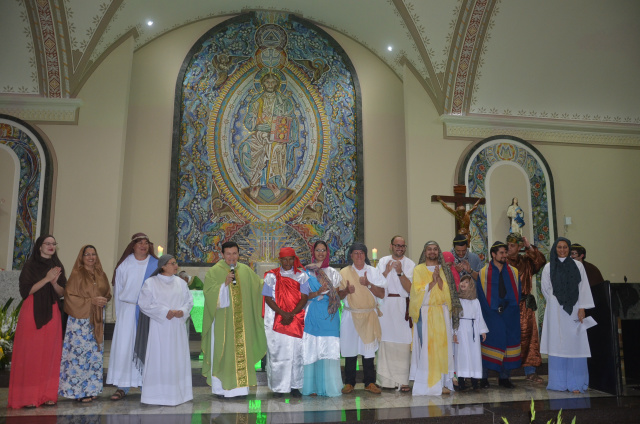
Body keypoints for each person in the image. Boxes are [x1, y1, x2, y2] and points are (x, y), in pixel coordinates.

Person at [202, 241, 267, 399]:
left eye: (235, 253)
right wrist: (224, 284)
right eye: (228, 254)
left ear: (239, 254)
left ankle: (240, 389)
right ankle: (220, 389)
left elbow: (259, 287)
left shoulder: (245, 271)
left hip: (242, 325)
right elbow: (209, 295)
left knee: (241, 351)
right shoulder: (214, 272)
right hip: (222, 324)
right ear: (222, 254)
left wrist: (274, 282)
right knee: (221, 352)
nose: (232, 257)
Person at [8, 235, 66, 408]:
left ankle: (48, 395)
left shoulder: (58, 266)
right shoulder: (30, 265)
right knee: (31, 354)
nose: (51, 246)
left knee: (50, 353)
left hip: (52, 310)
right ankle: (28, 396)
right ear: (39, 246)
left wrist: (54, 282)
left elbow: (62, 292)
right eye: (47, 243)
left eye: (53, 243)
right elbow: (26, 291)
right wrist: (47, 279)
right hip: (32, 311)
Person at [106, 233, 158, 401]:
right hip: (128, 312)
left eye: (146, 243)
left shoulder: (156, 264)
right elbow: (118, 290)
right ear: (133, 246)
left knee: (147, 348)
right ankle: (123, 386)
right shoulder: (124, 265)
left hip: (148, 312)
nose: (143, 246)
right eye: (139, 243)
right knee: (125, 348)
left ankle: (146, 384)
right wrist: (122, 315)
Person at [136, 255, 193, 405]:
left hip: (177, 328)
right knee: (159, 358)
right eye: (172, 263)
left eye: (176, 263)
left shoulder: (181, 283)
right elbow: (144, 303)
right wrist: (163, 311)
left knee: (177, 358)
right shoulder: (151, 283)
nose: (176, 266)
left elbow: (189, 301)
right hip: (160, 328)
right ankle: (156, 395)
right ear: (163, 266)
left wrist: (182, 311)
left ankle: (180, 394)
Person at [540, 237, 594, 394]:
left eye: (565, 247)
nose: (562, 250)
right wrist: (557, 299)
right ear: (555, 249)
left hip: (575, 309)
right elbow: (546, 289)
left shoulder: (578, 266)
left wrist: (582, 307)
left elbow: (583, 287)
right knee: (558, 344)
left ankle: (576, 383)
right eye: (559, 247)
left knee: (575, 345)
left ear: (569, 249)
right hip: (556, 311)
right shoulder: (549, 267)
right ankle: (558, 383)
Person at [59, 245, 112, 403]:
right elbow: (69, 297)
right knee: (79, 355)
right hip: (80, 321)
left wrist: (104, 300)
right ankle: (77, 391)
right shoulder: (77, 274)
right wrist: (92, 301)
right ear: (81, 257)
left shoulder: (101, 274)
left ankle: (91, 388)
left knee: (94, 354)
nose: (91, 257)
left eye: (93, 254)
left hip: (96, 319)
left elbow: (107, 293)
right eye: (87, 254)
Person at [408, 241, 462, 396]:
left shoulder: (445, 269)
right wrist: (432, 281)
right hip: (425, 314)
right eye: (429, 249)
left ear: (438, 252)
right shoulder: (418, 269)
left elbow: (449, 294)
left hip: (442, 313)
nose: (432, 252)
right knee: (428, 348)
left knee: (443, 348)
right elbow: (416, 293)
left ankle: (443, 383)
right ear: (425, 252)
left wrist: (439, 280)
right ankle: (428, 384)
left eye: (435, 249)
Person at [339, 243, 386, 395]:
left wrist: (368, 284)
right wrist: (346, 291)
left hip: (368, 316)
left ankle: (370, 382)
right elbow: (338, 295)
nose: (359, 256)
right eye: (355, 253)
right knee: (350, 351)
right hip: (350, 315)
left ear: (365, 255)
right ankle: (349, 382)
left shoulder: (373, 272)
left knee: (368, 352)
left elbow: (382, 294)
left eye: (361, 253)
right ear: (351, 255)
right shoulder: (344, 272)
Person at [243, 72, 299, 199]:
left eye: (273, 82)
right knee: (246, 148)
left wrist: (278, 125)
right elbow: (249, 121)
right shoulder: (257, 100)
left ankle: (272, 182)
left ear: (277, 84)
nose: (270, 85)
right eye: (267, 82)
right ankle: (256, 182)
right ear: (262, 84)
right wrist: (253, 118)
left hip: (276, 135)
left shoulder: (284, 101)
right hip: (259, 134)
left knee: (276, 148)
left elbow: (291, 119)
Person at [263, 247, 309, 397]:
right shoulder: (271, 276)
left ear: (294, 259)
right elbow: (268, 298)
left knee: (296, 353)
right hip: (279, 320)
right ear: (280, 260)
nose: (288, 262)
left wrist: (293, 314)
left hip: (296, 320)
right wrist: (283, 313)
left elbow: (304, 297)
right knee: (279, 353)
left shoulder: (301, 276)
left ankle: (295, 386)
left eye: (291, 259)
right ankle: (279, 387)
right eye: (285, 259)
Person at [476, 241, 522, 389]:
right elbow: (481, 296)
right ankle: (484, 379)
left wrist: (509, 309)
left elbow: (517, 294)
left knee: (508, 344)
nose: (504, 255)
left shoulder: (514, 272)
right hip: (490, 315)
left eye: (505, 252)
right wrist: (490, 313)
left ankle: (504, 378)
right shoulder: (483, 273)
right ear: (493, 255)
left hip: (509, 314)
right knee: (487, 343)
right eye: (501, 253)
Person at [301, 240, 343, 397]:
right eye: (317, 250)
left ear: (327, 252)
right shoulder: (306, 273)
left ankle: (329, 387)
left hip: (329, 315)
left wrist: (336, 293)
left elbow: (337, 295)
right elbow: (303, 297)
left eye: (323, 250)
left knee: (329, 349)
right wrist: (319, 292)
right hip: (312, 313)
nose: (320, 253)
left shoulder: (333, 272)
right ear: (313, 252)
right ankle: (311, 387)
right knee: (311, 349)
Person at [505, 233, 546, 384]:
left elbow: (541, 261)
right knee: (508, 338)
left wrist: (529, 246)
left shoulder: (526, 262)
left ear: (520, 247)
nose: (509, 248)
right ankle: (505, 373)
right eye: (508, 245)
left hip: (525, 306)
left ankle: (530, 372)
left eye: (513, 245)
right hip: (508, 306)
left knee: (529, 337)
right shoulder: (501, 261)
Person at [375, 236, 415, 392]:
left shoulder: (410, 264)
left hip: (401, 306)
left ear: (405, 247)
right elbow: (376, 284)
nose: (400, 248)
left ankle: (403, 381)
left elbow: (411, 289)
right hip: (385, 305)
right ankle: (385, 380)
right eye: (397, 245)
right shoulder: (383, 261)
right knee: (385, 342)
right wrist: (385, 272)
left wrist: (400, 273)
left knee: (403, 343)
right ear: (391, 246)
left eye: (402, 245)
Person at [455, 275, 488, 391]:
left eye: (466, 282)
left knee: (474, 355)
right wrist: (453, 332)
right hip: (461, 330)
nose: (463, 284)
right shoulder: (457, 300)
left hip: (473, 332)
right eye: (461, 281)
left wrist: (482, 330)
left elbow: (479, 317)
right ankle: (462, 382)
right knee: (462, 356)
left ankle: (475, 382)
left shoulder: (475, 301)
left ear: (471, 285)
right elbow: (454, 318)